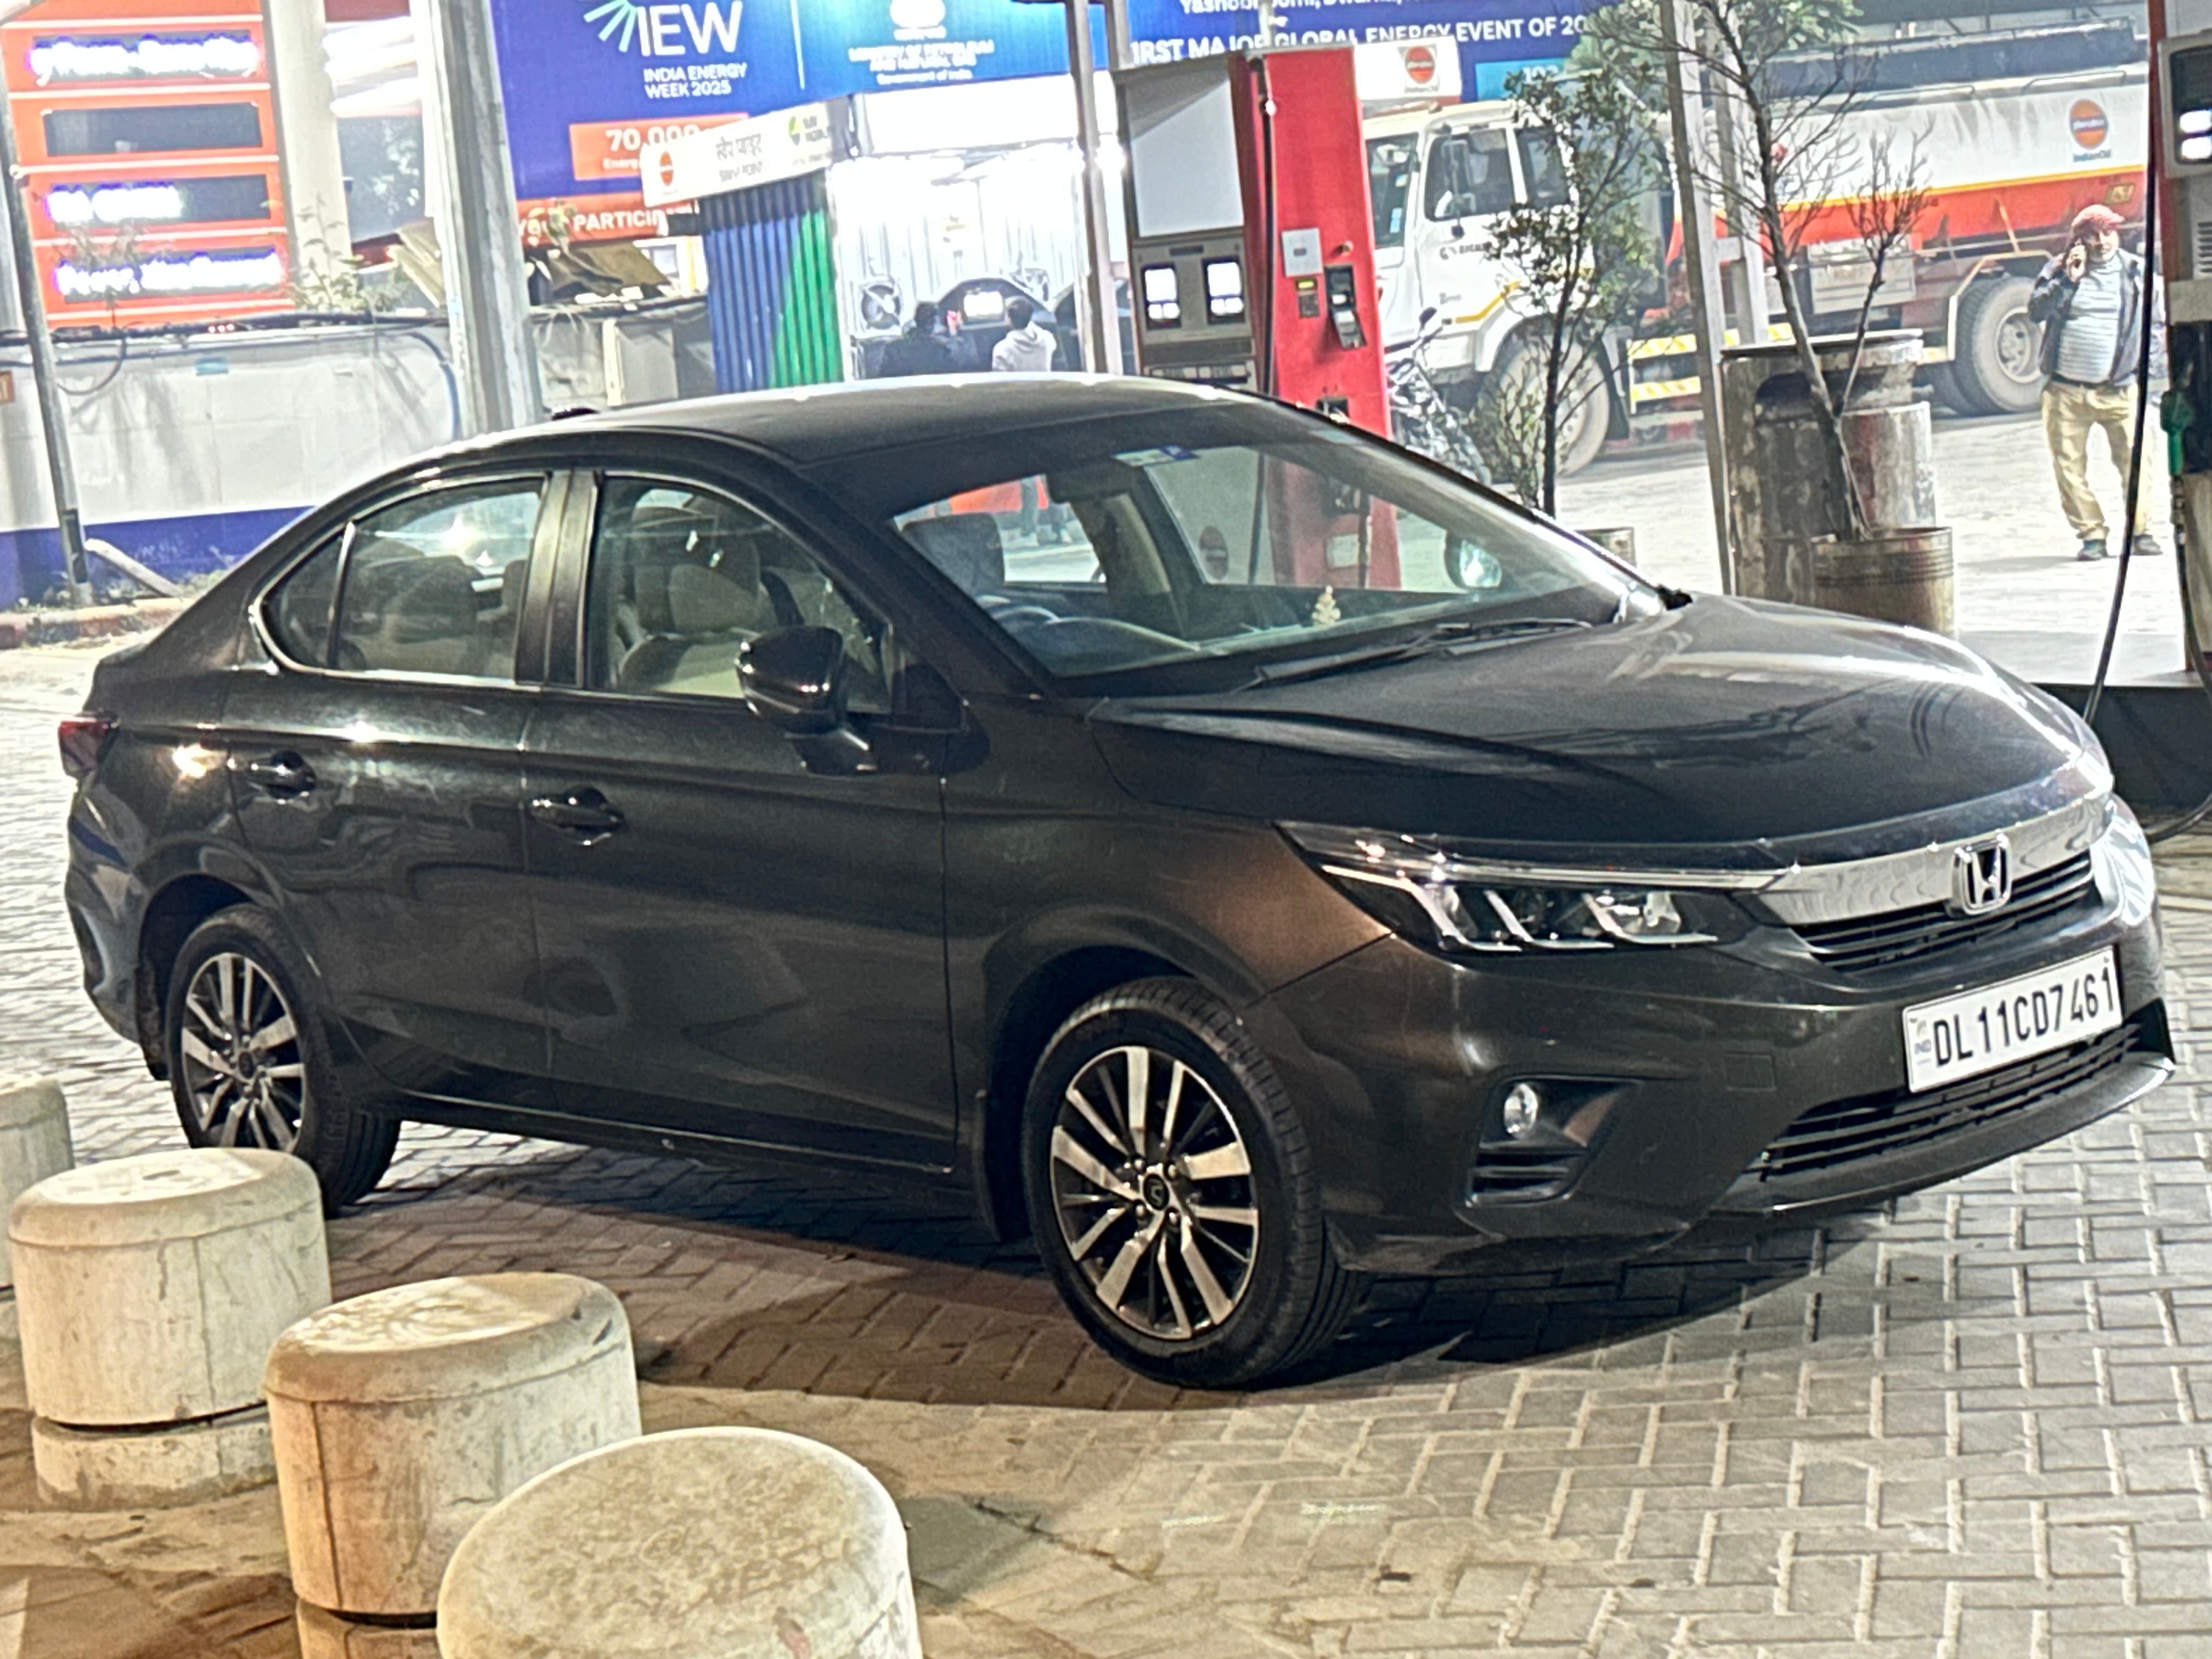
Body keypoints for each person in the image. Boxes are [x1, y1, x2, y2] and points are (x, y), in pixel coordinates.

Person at [2029, 204, 2158, 561]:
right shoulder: (2061, 270)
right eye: (2092, 235)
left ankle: (2140, 532)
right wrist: (2068, 280)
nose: (2101, 242)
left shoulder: (2135, 271)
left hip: (2119, 388)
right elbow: (2037, 310)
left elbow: (2155, 323)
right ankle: (2092, 535)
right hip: (2066, 391)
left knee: (2135, 461)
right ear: (2079, 239)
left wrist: (2149, 368)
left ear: (2117, 234)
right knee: (2068, 466)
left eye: (2107, 233)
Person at [876, 301, 956, 378]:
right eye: (931, 319)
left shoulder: (893, 348)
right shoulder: (941, 350)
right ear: (934, 323)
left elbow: (884, 380)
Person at [991, 295, 1058, 373]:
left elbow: (1001, 382)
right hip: (1045, 386)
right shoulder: (1048, 339)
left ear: (1009, 318)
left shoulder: (1002, 349)